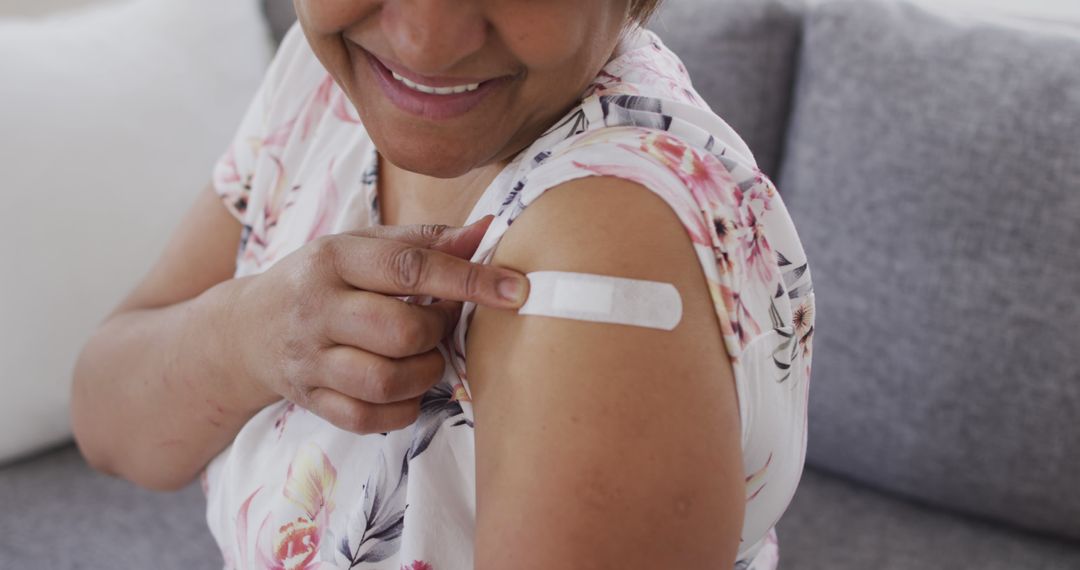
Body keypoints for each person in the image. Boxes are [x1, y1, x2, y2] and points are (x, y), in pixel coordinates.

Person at [70, 0, 815, 568]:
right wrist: (250, 333)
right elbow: (108, 422)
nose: (426, 39)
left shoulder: (608, 242)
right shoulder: (329, 76)